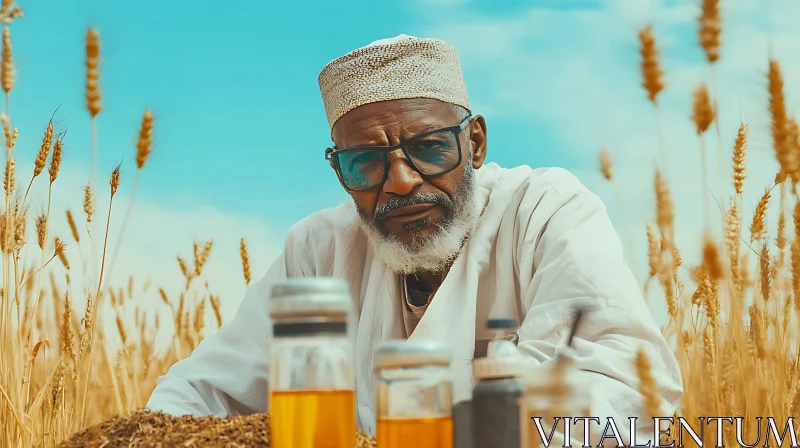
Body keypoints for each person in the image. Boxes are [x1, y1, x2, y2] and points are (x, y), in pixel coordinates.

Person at [146, 34, 683, 440]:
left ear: (473, 143)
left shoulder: (545, 213)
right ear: (340, 169)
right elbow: (204, 391)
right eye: (366, 163)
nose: (400, 181)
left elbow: (626, 386)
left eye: (428, 148)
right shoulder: (318, 249)